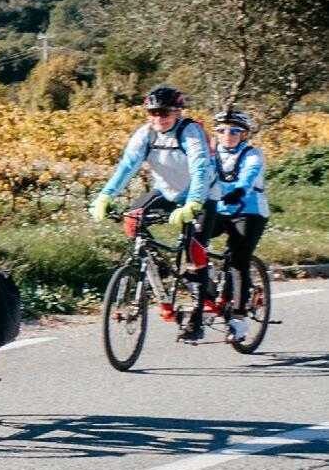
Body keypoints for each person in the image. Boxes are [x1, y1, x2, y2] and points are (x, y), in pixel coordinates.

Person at [91, 85, 221, 343]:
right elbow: (127, 166)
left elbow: (200, 169)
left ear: (177, 112)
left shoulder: (190, 131)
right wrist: (106, 195)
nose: (158, 118)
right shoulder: (146, 134)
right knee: (132, 220)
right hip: (167, 192)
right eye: (153, 113)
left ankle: (196, 317)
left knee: (194, 247)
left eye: (165, 113)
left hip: (203, 195)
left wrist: (193, 203)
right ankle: (157, 270)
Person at [195, 109, 270, 351]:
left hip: (249, 210)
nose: (227, 135)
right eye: (222, 130)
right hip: (218, 208)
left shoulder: (252, 154)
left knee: (238, 260)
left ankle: (238, 318)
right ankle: (205, 284)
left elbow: (249, 176)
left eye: (234, 131)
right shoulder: (210, 155)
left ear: (243, 134)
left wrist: (237, 190)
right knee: (192, 242)